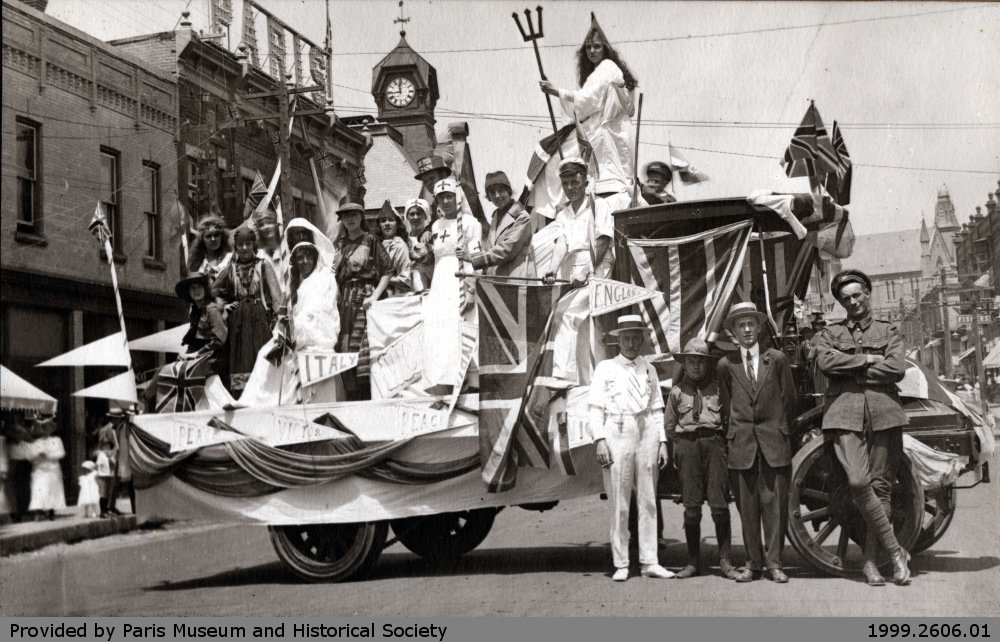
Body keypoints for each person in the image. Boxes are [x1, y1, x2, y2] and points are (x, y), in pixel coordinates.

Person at [815, 269, 912, 586]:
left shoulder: (889, 329)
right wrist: (869, 361)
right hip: (844, 414)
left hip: (884, 413)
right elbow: (826, 363)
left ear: (868, 293)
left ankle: (871, 562)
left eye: (857, 295)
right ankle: (896, 551)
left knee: (881, 488)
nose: (853, 301)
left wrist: (852, 371)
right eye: (846, 298)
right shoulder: (832, 333)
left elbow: (897, 367)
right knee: (858, 481)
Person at [589, 315, 673, 581]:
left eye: (636, 338)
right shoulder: (606, 368)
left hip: (646, 429)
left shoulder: (649, 368)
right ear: (618, 340)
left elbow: (658, 407)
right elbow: (594, 408)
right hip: (618, 429)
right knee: (619, 500)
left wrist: (661, 442)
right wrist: (600, 439)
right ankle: (622, 562)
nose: (631, 343)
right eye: (626, 338)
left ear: (642, 340)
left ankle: (650, 561)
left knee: (648, 498)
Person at [717, 302, 795, 583]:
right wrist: (738, 434)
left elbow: (789, 401)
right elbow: (727, 407)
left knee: (774, 507)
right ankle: (753, 564)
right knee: (747, 509)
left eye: (751, 323)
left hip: (774, 443)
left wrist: (777, 432)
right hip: (742, 446)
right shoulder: (727, 365)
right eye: (741, 325)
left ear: (759, 327)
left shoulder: (776, 360)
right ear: (733, 332)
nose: (747, 329)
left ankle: (775, 564)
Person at [540, 13, 639, 211]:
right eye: (588, 48)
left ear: (606, 49)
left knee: (557, 164)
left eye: (597, 46)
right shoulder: (599, 71)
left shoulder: (607, 67)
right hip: (604, 133)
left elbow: (586, 101)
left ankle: (559, 206)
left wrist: (556, 91)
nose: (592, 51)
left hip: (609, 134)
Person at [666, 338, 740, 580]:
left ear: (707, 365)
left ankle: (725, 561)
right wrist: (680, 449)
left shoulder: (718, 389)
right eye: (691, 361)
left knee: (719, 504)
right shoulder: (677, 393)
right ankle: (692, 562)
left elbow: (729, 419)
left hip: (715, 445)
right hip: (688, 447)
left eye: (700, 362)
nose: (696, 366)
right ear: (684, 364)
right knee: (691, 506)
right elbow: (669, 426)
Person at [423, 178, 484, 389]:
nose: (446, 201)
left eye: (449, 196)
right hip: (441, 284)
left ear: (457, 198)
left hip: (461, 279)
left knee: (464, 328)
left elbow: (476, 258)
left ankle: (473, 384)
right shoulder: (436, 225)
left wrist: (470, 290)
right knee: (441, 332)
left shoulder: (470, 223)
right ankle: (444, 384)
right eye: (441, 198)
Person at [213, 225, 283, 393]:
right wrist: (223, 305)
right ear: (235, 247)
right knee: (239, 359)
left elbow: (276, 297)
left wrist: (279, 324)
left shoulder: (263, 265)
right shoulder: (229, 269)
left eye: (248, 244)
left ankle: (262, 394)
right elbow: (211, 291)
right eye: (240, 244)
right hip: (237, 322)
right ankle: (241, 397)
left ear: (254, 245)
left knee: (261, 356)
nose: (244, 248)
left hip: (259, 319)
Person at [334, 202, 393, 399]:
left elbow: (387, 271)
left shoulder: (371, 240)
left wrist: (374, 296)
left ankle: (369, 397)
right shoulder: (339, 245)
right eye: (345, 216)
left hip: (365, 299)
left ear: (361, 217)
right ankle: (351, 399)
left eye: (353, 215)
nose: (349, 219)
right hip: (344, 301)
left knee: (364, 351)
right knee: (344, 348)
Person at [544, 158, 614, 286]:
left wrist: (585, 272)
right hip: (571, 270)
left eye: (575, 182)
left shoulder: (599, 205)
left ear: (585, 183)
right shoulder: (562, 215)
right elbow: (561, 242)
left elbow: (602, 242)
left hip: (596, 268)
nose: (570, 188)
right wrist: (552, 269)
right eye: (565, 183)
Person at [460, 171, 534, 278]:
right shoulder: (496, 216)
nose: (497, 195)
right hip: (498, 279)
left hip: (516, 278)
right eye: (492, 192)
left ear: (509, 191)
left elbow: (506, 250)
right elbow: (491, 247)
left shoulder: (522, 217)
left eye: (501, 190)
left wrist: (475, 258)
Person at [27, 416, 66, 521]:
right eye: (43, 427)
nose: (45, 430)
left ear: (52, 429)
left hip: (52, 468)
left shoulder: (57, 440)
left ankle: (51, 511)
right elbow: (30, 455)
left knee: (51, 489)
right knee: (39, 489)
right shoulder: (36, 442)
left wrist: (48, 455)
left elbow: (61, 453)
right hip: (39, 469)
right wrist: (36, 455)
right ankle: (38, 511)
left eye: (48, 427)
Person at [376, 201, 415, 296]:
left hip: (395, 295)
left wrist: (380, 278)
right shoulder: (375, 245)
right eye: (383, 221)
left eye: (391, 220)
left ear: (397, 224)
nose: (387, 223)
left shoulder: (399, 245)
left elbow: (405, 279)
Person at [187, 214, 233, 281]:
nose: (213, 239)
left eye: (216, 235)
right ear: (202, 239)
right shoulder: (196, 263)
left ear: (222, 237)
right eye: (208, 236)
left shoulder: (230, 258)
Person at [404, 198, 435, 291]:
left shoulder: (432, 236)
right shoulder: (403, 239)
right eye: (412, 214)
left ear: (425, 216)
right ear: (407, 217)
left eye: (419, 213)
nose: (415, 217)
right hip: (407, 285)